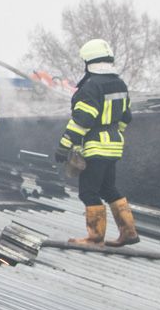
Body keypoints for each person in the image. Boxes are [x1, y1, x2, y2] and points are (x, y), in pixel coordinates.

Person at [54, 39, 139, 246]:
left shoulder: (91, 87)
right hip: (114, 146)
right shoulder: (119, 84)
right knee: (108, 189)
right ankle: (129, 232)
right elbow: (125, 117)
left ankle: (95, 237)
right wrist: (114, 135)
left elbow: (82, 121)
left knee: (88, 192)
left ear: (88, 62)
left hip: (95, 147)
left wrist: (64, 146)